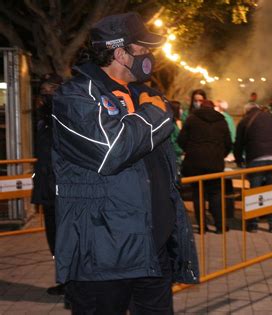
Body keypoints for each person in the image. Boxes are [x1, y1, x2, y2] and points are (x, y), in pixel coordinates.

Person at [51, 12, 199, 313]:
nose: (150, 58)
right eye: (144, 51)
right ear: (120, 53)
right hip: (103, 258)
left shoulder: (144, 96)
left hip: (152, 253)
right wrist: (155, 116)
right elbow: (111, 151)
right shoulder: (76, 96)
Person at [31, 73, 64, 296]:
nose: (45, 97)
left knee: (67, 239)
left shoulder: (66, 119)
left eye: (50, 91)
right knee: (54, 239)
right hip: (47, 190)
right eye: (44, 92)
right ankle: (64, 280)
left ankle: (74, 282)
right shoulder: (42, 121)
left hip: (64, 190)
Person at [178, 100, 232, 233]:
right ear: (213, 108)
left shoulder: (192, 119)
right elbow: (228, 143)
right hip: (215, 164)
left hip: (195, 163)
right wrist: (220, 155)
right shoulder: (221, 121)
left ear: (201, 107)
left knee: (198, 194)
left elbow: (181, 140)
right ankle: (220, 226)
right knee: (215, 194)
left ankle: (202, 227)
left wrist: (190, 150)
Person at [234, 103, 272, 232]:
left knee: (255, 191)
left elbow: (238, 144)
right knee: (271, 190)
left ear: (247, 111)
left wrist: (239, 160)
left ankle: (253, 224)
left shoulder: (245, 121)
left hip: (256, 158)